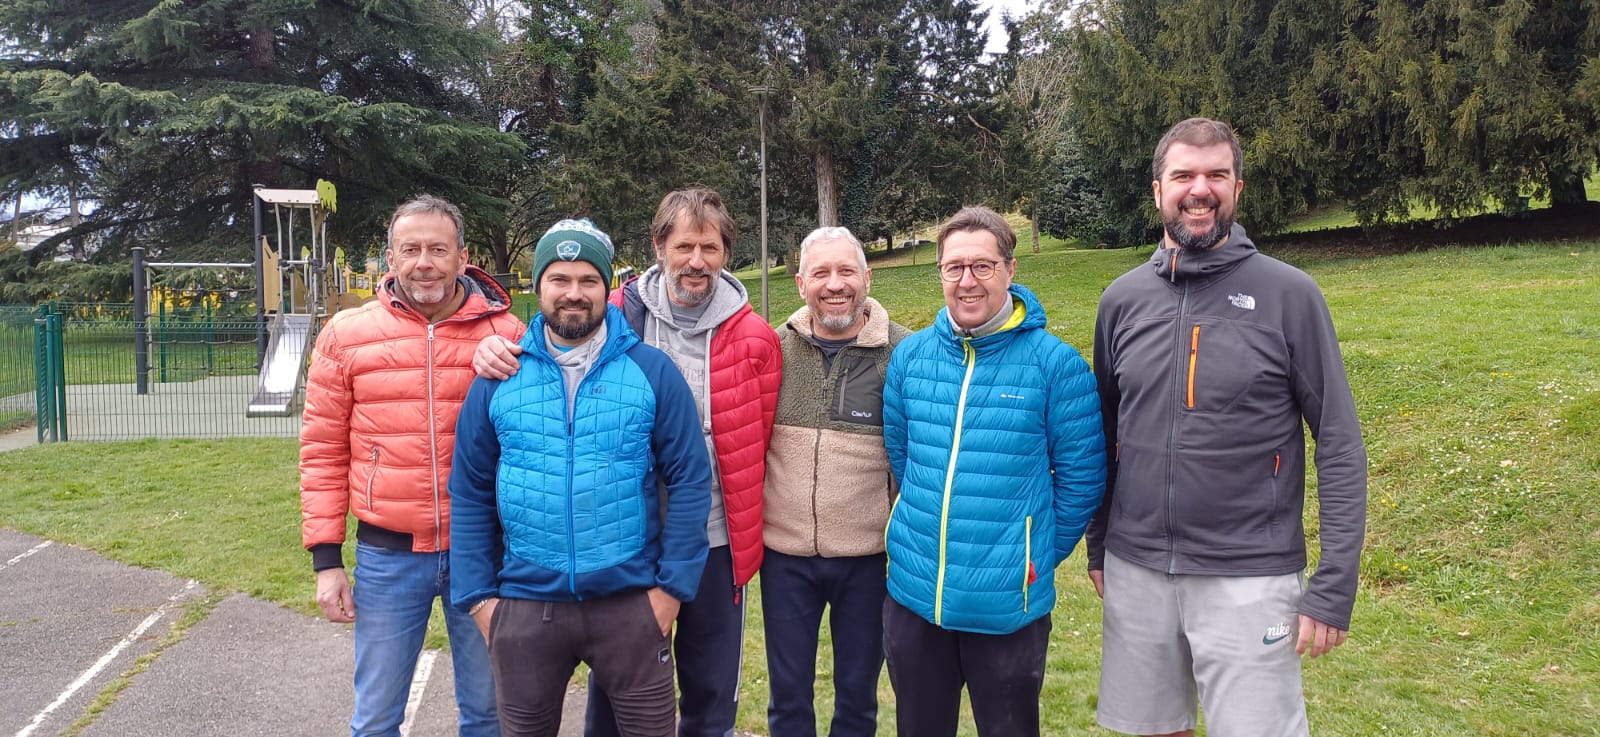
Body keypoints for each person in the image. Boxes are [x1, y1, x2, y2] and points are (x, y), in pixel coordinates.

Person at [1087, 117, 1368, 737]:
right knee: (1155, 729)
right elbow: (1105, 435)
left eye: (1216, 175)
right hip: (1137, 568)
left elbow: (1340, 443)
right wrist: (1101, 542)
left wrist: (1334, 583)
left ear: (1237, 188)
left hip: (1250, 570)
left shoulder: (1289, 294)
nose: (1199, 189)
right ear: (1158, 190)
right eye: (1183, 175)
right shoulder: (1121, 301)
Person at [471, 187, 781, 737]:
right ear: (659, 247)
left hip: (711, 538)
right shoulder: (619, 311)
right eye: (683, 245)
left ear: (726, 253)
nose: (696, 260)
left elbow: (757, 441)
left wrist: (675, 587)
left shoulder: (754, 336)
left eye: (709, 247)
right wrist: (494, 348)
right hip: (619, 547)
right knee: (613, 709)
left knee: (710, 697)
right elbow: (557, 334)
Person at [449, 219, 713, 737]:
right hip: (526, 605)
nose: (574, 293)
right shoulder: (500, 376)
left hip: (630, 603)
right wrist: (480, 600)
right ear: (539, 286)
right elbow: (470, 490)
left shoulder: (652, 371)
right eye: (559, 279)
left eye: (588, 280)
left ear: (606, 287)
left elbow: (689, 479)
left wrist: (671, 592)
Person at [299, 194, 522, 737]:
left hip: (483, 554)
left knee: (490, 715)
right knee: (376, 719)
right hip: (388, 557)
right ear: (391, 257)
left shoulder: (508, 336)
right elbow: (323, 450)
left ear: (463, 257)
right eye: (411, 249)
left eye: (438, 250)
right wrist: (327, 559)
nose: (425, 262)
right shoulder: (345, 336)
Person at [880, 206, 1106, 737]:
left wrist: (1030, 556)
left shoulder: (1055, 365)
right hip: (916, 597)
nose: (967, 281)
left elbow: (1082, 479)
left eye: (982, 266)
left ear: (1010, 270)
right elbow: (902, 454)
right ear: (940, 273)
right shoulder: (910, 358)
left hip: (1008, 606)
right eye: (954, 267)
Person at [761, 226, 910, 737]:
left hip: (868, 560)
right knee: (787, 701)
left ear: (867, 278)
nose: (835, 284)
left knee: (857, 700)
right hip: (784, 559)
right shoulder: (772, 349)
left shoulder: (903, 353)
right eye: (821, 273)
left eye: (846, 271)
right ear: (801, 283)